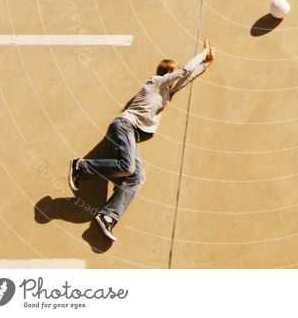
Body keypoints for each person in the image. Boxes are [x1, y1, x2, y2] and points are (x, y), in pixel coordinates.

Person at [67, 39, 214, 242]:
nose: (178, 74)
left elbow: (187, 78)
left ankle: (108, 215)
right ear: (167, 72)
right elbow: (184, 73)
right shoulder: (155, 82)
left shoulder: (166, 93)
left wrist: (207, 63)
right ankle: (82, 167)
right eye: (175, 70)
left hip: (131, 135)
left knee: (137, 177)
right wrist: (203, 52)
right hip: (123, 126)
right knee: (127, 167)